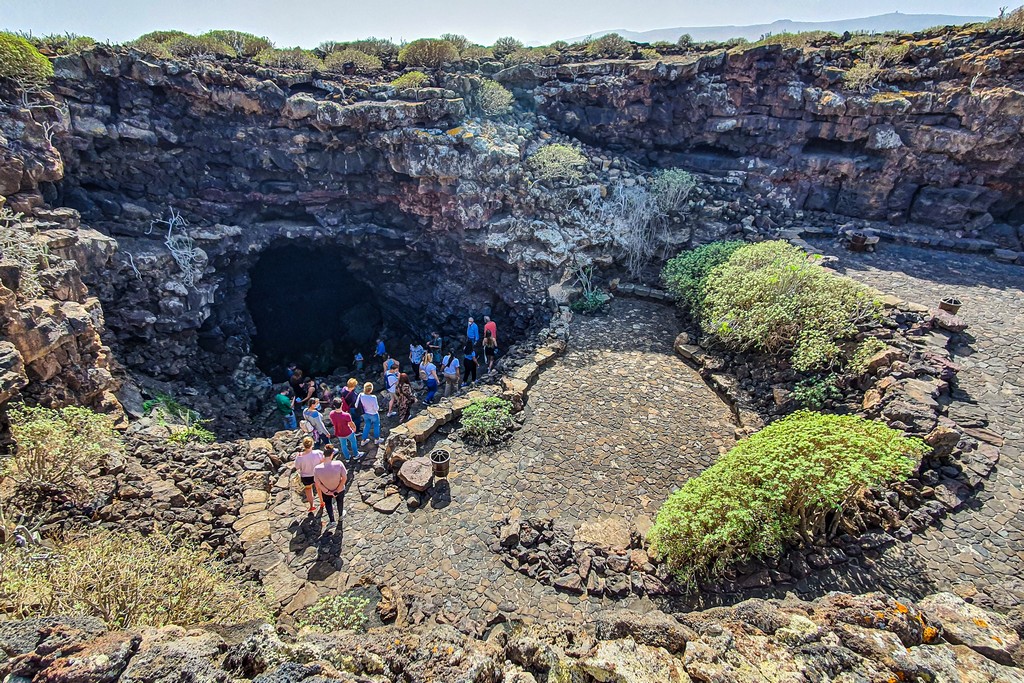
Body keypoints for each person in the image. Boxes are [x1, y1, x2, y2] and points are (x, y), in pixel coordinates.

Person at [313, 444, 347, 526]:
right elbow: (344, 477)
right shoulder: (339, 464)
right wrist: (338, 489)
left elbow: (318, 483)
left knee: (328, 504)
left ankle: (332, 521)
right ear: (332, 454)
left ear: (324, 455)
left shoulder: (317, 469)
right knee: (340, 501)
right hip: (339, 489)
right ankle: (340, 516)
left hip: (326, 491)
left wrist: (327, 491)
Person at [294, 436, 324, 513]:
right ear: (312, 444)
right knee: (319, 488)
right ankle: (322, 502)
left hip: (306, 476)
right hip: (317, 474)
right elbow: (323, 461)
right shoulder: (318, 453)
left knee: (308, 489)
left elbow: (297, 467)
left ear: (303, 445)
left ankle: (311, 505)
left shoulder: (300, 457)